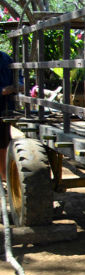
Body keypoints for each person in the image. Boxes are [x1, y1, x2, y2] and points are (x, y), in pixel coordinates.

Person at [0, 51, 17, 181]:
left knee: (4, 142)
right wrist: (3, 90)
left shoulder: (6, 58)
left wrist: (17, 86)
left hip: (4, 108)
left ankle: (4, 175)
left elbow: (17, 78)